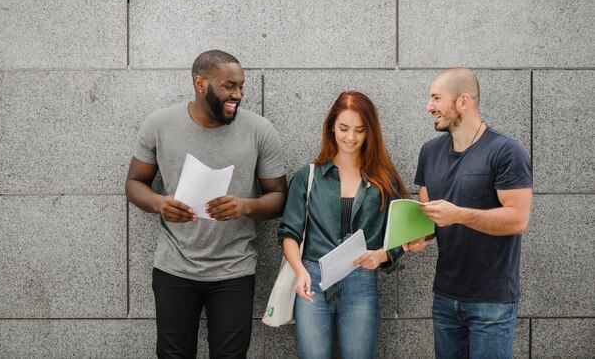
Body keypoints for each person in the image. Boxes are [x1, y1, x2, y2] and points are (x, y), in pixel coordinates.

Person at [125, 50, 287, 359]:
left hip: (234, 270)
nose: (237, 94)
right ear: (201, 83)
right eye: (229, 86)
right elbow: (134, 184)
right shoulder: (159, 124)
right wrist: (160, 203)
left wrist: (246, 207)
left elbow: (280, 196)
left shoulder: (260, 130)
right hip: (174, 267)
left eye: (241, 86)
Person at [407, 68, 533, 358]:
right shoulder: (429, 152)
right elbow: (426, 215)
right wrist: (417, 237)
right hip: (445, 297)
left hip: (492, 301)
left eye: (436, 98)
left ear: (463, 101)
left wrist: (459, 215)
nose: (429, 107)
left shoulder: (506, 151)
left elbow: (518, 219)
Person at [278, 91, 407, 359]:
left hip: (361, 281)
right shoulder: (309, 176)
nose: (351, 137)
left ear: (370, 132)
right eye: (344, 128)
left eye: (360, 130)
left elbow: (401, 233)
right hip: (313, 277)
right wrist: (300, 271)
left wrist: (382, 255)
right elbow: (289, 233)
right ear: (331, 128)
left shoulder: (384, 181)